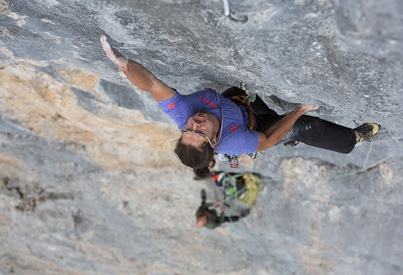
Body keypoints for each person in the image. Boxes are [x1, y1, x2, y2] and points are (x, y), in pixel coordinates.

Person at [100, 35, 381, 178]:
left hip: (238, 104)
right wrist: (299, 110)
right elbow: (268, 140)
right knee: (302, 127)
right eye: (198, 132)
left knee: (243, 97)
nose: (194, 123)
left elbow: (149, 82)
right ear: (212, 141)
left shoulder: (183, 113)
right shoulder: (234, 143)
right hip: (254, 129)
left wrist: (124, 66)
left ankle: (280, 124)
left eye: (188, 128)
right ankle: (352, 139)